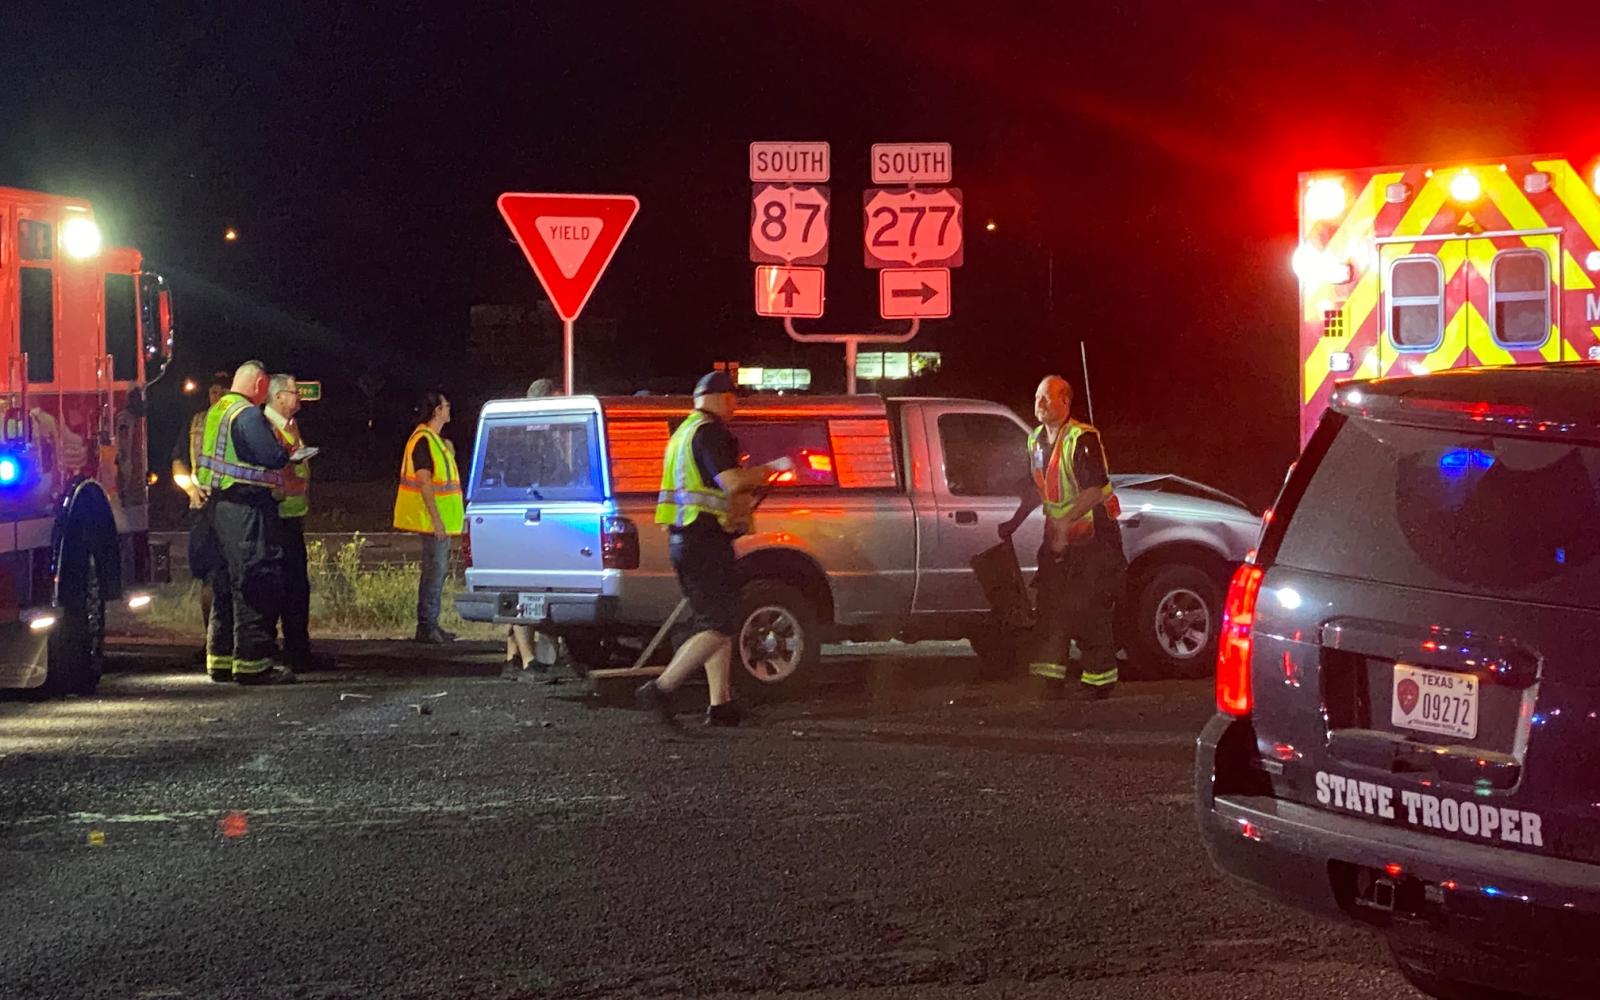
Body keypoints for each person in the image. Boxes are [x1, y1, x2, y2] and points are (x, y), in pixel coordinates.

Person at [634, 372, 787, 727]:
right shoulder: (711, 432)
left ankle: (721, 705)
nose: (735, 407)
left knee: (719, 620)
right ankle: (660, 689)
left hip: (687, 539)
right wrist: (771, 469)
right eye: (734, 399)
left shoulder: (683, 432)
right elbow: (730, 482)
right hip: (704, 542)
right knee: (719, 622)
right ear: (721, 398)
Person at [999, 375, 1126, 699]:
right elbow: (1039, 487)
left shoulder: (1082, 439)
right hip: (1061, 534)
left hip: (1094, 536)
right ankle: (1049, 677)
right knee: (1051, 606)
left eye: (1046, 398)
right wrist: (1014, 522)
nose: (1039, 404)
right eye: (1037, 397)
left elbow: (1094, 490)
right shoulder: (1036, 440)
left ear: (1065, 402)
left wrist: (1063, 526)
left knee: (1088, 607)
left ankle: (1099, 681)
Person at [193, 360, 295, 685]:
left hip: (217, 509)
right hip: (245, 508)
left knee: (224, 584)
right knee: (255, 581)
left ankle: (220, 660)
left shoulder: (218, 410)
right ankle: (254, 663)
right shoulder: (248, 414)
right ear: (260, 384)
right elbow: (273, 456)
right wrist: (285, 445)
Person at [504, 377, 573, 681]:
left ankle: (513, 657)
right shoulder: (532, 436)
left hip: (530, 520)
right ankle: (529, 661)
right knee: (524, 592)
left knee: (524, 590)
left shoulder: (524, 432)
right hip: (530, 521)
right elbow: (544, 477)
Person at [264, 373, 333, 671]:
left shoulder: (290, 425)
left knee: (297, 589)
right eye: (293, 392)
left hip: (292, 517)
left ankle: (298, 650)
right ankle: (278, 651)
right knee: (279, 587)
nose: (298, 397)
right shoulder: (266, 427)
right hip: (276, 518)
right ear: (278, 396)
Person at [393, 389, 463, 644]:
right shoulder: (423, 440)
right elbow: (424, 483)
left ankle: (431, 625)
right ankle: (427, 626)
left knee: (437, 571)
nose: (449, 409)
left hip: (439, 520)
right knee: (435, 571)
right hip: (432, 520)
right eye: (446, 405)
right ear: (437, 411)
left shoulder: (435, 440)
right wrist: (436, 520)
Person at [174, 372, 230, 665]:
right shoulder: (196, 423)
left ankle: (227, 641)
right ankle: (211, 639)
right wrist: (191, 490)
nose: (217, 397)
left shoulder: (239, 421)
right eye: (213, 392)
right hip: (203, 510)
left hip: (230, 507)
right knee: (208, 577)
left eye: (222, 391)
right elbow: (179, 463)